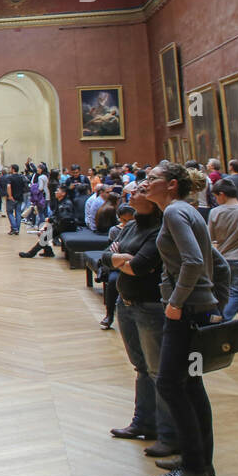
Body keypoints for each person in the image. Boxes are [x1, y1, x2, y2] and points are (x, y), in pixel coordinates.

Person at [143, 162, 217, 476]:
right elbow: (220, 263)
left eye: (152, 178)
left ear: (172, 184)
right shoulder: (186, 210)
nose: (146, 181)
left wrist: (177, 302)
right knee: (192, 383)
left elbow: (195, 260)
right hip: (196, 307)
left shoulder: (175, 212)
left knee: (170, 384)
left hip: (184, 312)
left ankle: (193, 468)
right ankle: (199, 460)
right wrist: (215, 300)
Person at [107, 181, 177, 453]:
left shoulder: (160, 228)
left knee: (158, 371)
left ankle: (167, 433)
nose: (132, 193)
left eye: (138, 192)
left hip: (150, 306)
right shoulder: (133, 225)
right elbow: (107, 256)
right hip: (126, 304)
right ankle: (143, 422)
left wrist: (122, 259)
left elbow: (140, 265)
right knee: (141, 368)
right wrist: (121, 259)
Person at [208, 178, 238, 321]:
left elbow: (211, 238)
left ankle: (223, 320)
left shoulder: (215, 213)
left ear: (222, 194)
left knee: (231, 294)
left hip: (223, 259)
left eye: (216, 196)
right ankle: (222, 320)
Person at [5, 163, 27, 235]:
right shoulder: (21, 177)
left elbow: (8, 186)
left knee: (10, 212)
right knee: (18, 213)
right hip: (20, 197)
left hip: (12, 198)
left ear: (13, 169)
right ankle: (17, 229)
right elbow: (25, 186)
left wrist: (10, 196)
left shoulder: (10, 177)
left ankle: (14, 228)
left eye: (10, 168)